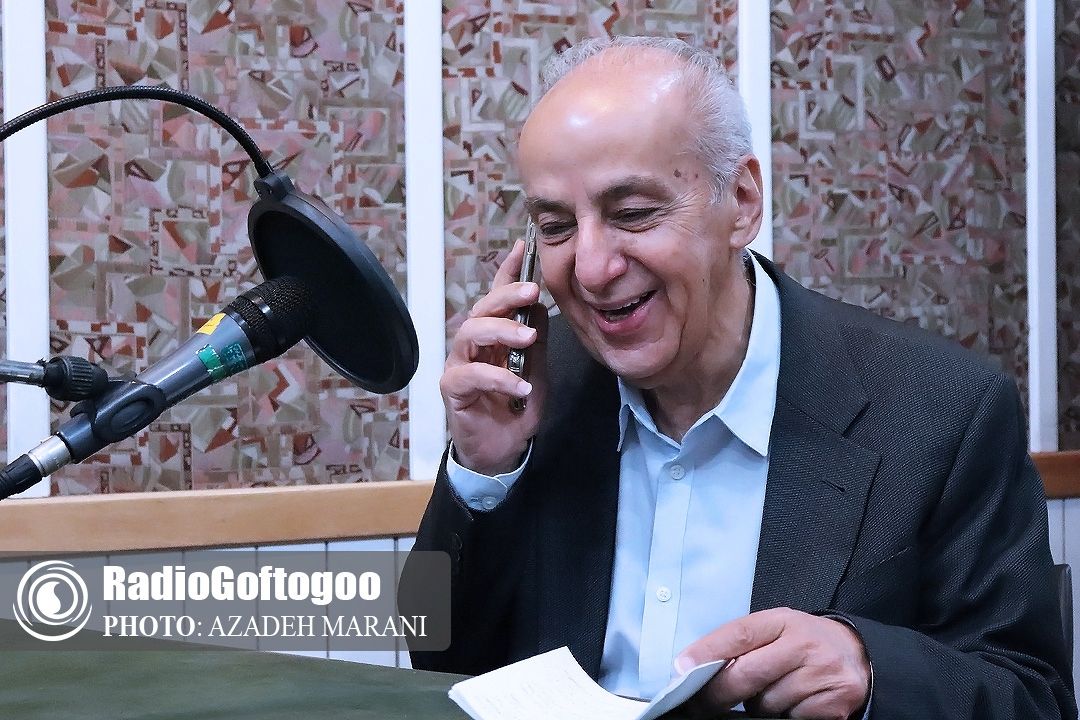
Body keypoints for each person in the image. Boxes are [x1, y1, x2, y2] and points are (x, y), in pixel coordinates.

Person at [402, 36, 1076, 719]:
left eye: (633, 214)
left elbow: (1033, 698)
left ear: (744, 202)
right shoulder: (534, 397)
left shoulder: (939, 409)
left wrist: (874, 673)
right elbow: (434, 655)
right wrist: (484, 474)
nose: (593, 268)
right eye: (556, 227)